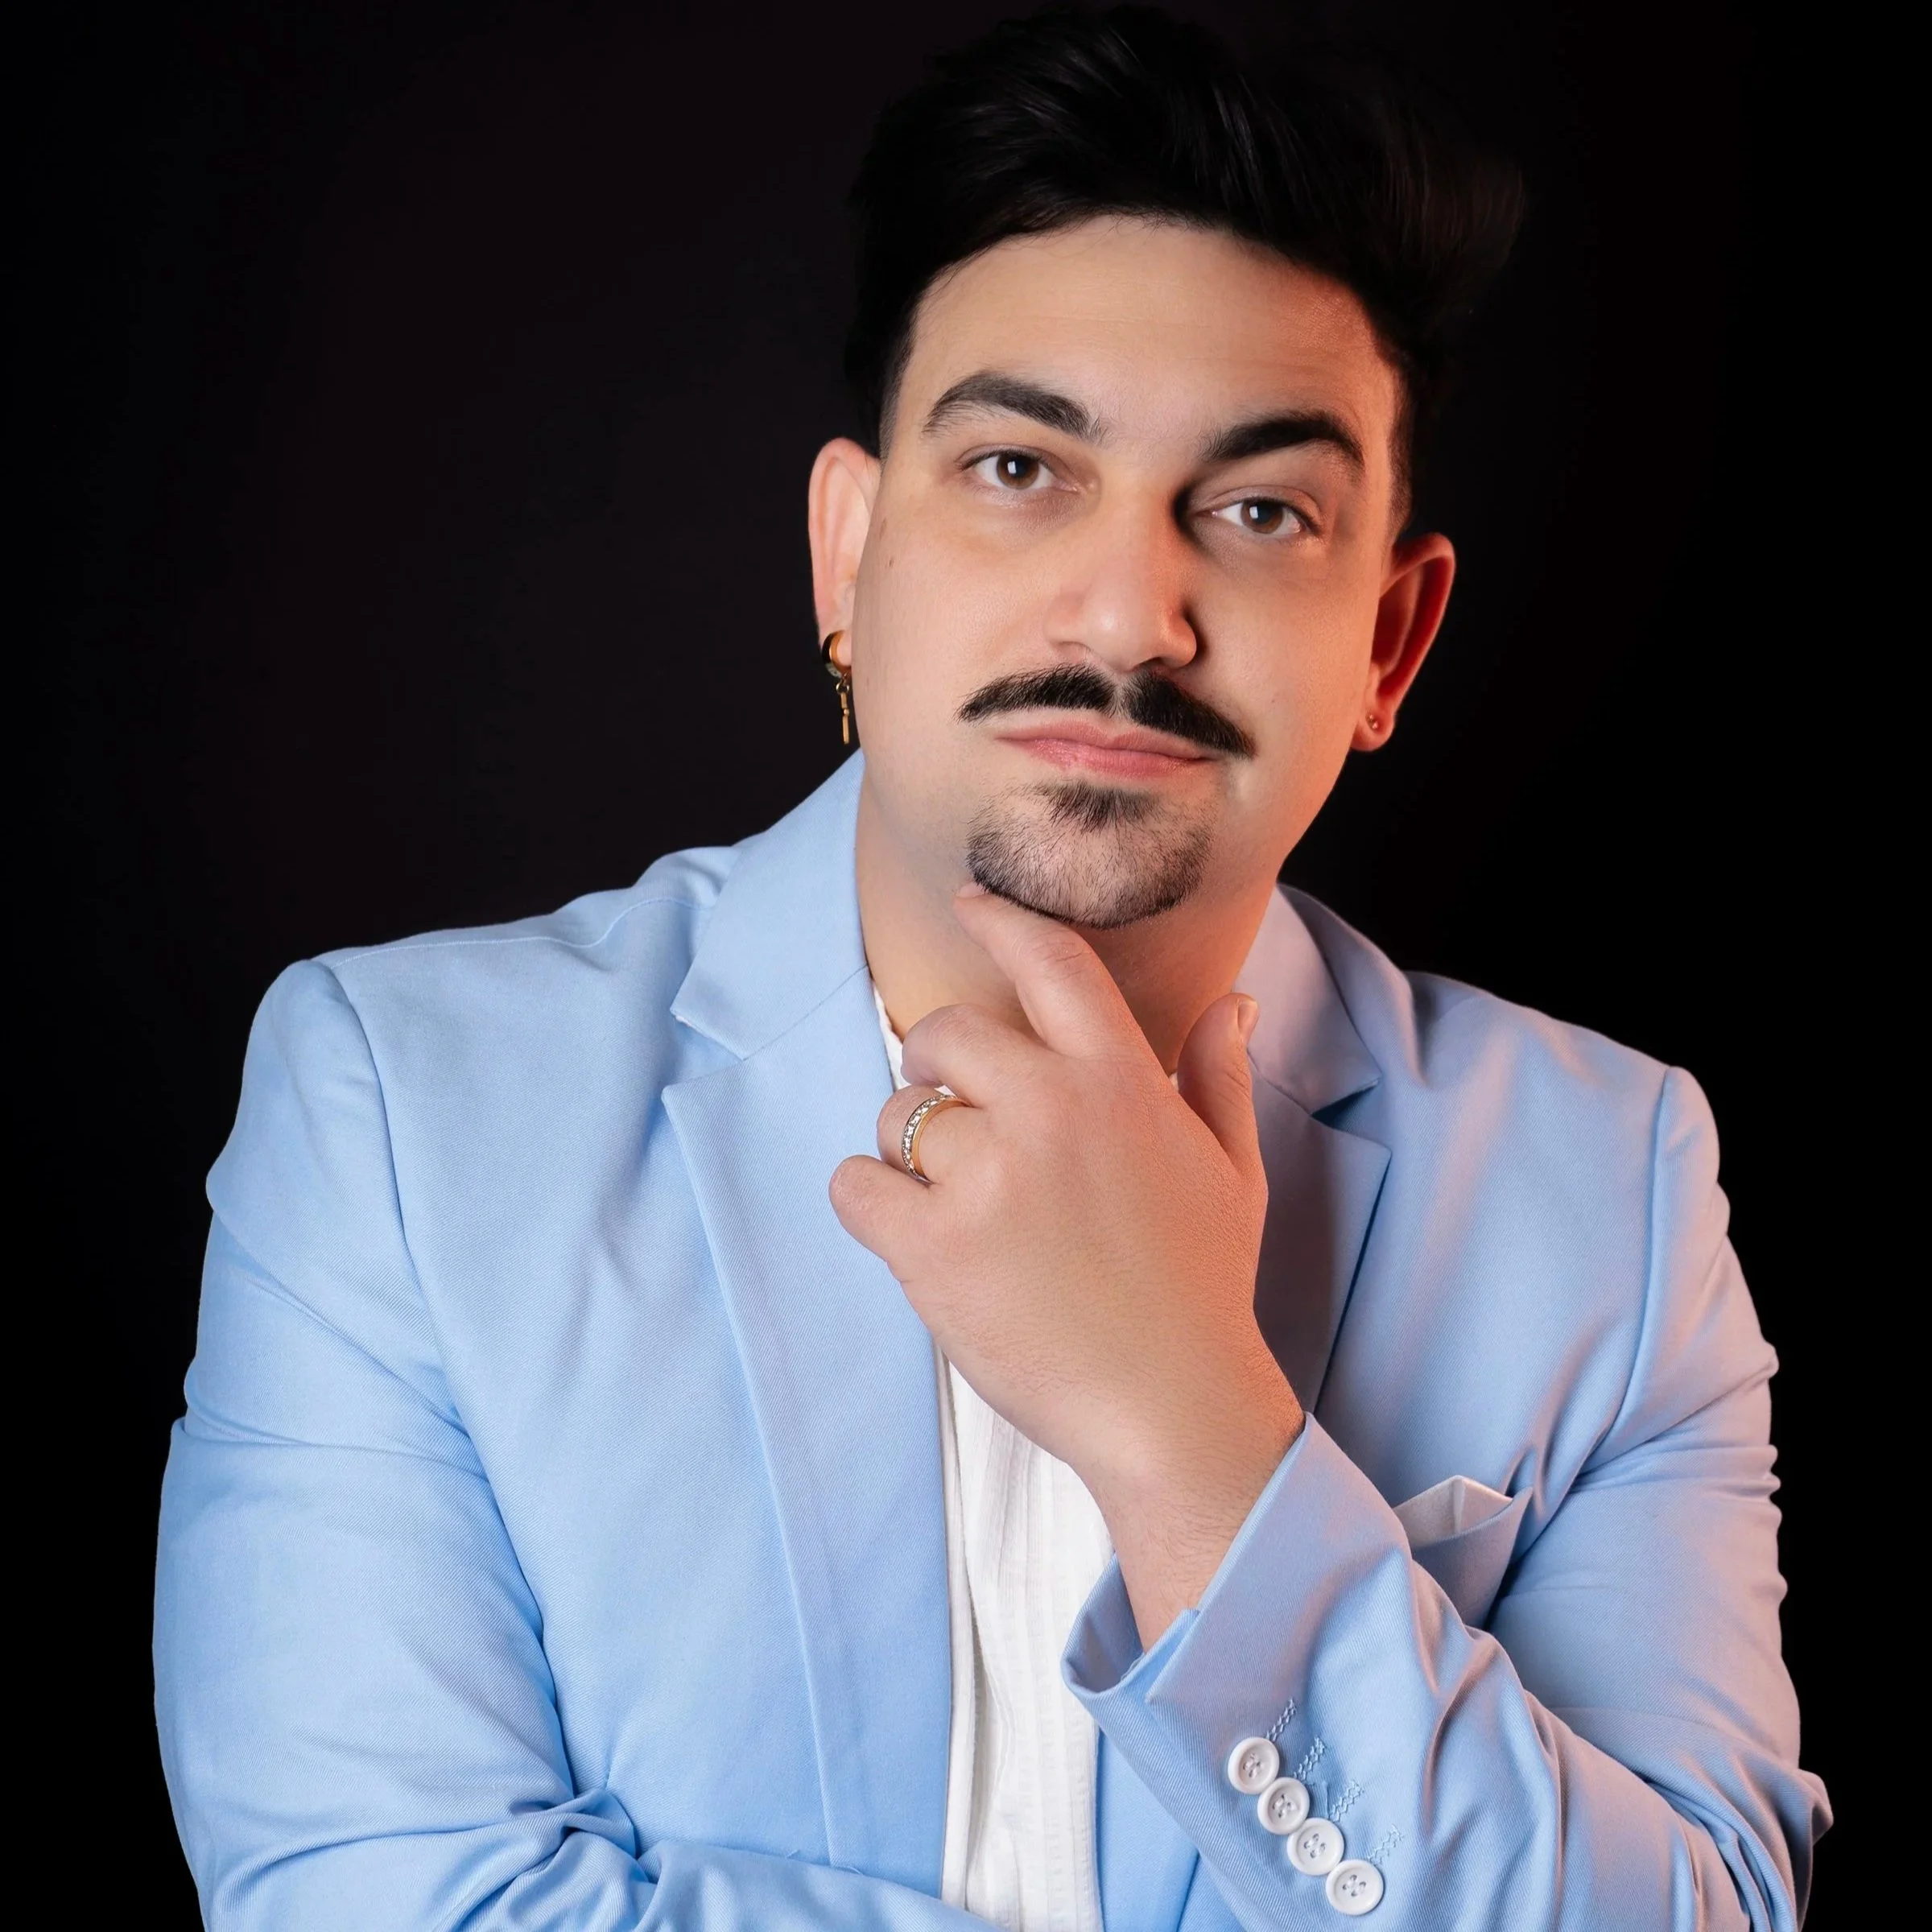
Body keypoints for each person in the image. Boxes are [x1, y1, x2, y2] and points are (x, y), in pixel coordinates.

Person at [154, 7, 1829, 1927]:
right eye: (1024, 469)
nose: (1132, 608)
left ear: (1391, 642)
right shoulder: (399, 1103)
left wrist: (1195, 1427)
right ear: (849, 560)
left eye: (1262, 507)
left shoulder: (1608, 1187)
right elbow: (372, 1901)